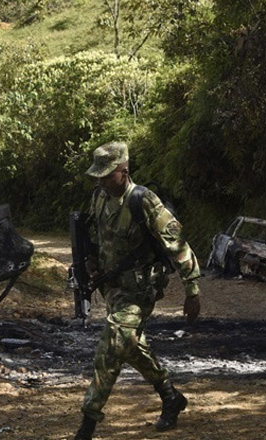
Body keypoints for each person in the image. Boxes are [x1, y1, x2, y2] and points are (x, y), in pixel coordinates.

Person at [74, 141, 202, 440]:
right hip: (112, 289)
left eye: (107, 176)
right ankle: (171, 397)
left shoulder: (143, 201)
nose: (101, 182)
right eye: (98, 177)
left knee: (112, 346)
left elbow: (178, 244)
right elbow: (94, 235)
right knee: (130, 346)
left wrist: (192, 290)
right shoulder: (99, 198)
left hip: (140, 290)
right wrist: (90, 261)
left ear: (124, 170)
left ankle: (87, 424)